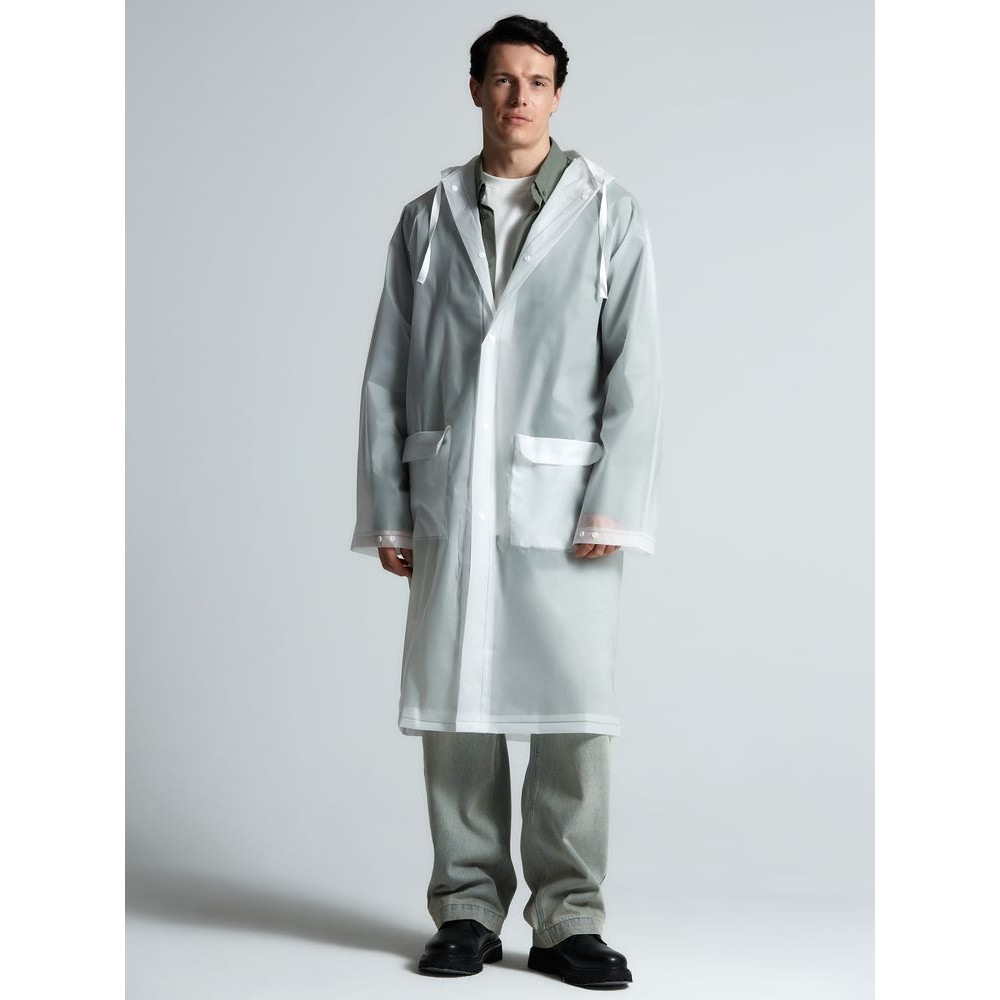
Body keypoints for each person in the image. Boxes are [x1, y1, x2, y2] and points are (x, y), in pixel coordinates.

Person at [351, 14, 662, 989]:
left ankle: (569, 917)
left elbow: (638, 374)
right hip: (453, 493)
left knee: (573, 711)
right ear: (476, 89)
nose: (517, 96)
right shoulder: (426, 218)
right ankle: (467, 908)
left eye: (535, 80)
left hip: (562, 504)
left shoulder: (608, 212)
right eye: (500, 78)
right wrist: (391, 505)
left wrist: (612, 503)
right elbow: (387, 373)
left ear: (557, 95)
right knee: (457, 707)